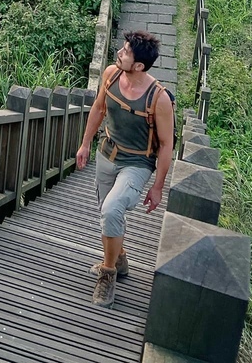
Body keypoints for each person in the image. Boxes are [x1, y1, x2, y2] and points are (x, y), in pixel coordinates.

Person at [75, 30, 173, 308]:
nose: (120, 51)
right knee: (107, 210)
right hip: (106, 155)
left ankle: (108, 275)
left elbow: (166, 146)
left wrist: (157, 187)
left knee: (112, 209)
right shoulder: (111, 75)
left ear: (139, 65)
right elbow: (98, 108)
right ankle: (120, 258)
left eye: (126, 51)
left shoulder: (159, 99)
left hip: (137, 164)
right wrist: (85, 145)